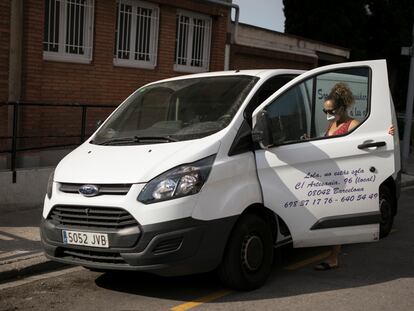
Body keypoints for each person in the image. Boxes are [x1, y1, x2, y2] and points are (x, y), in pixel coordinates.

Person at [314, 82, 395, 271]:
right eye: (325, 110)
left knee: (336, 215)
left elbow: (369, 141)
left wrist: (387, 134)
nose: (328, 114)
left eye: (331, 110)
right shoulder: (332, 124)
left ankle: (333, 257)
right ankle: (332, 253)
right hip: (330, 176)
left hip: (346, 176)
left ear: (342, 108)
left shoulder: (353, 124)